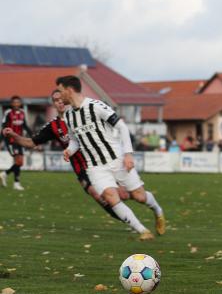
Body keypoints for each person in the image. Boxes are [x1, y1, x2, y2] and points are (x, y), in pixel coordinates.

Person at [56, 76, 165, 240]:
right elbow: (74, 139)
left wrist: (128, 154)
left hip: (116, 159)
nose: (59, 96)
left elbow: (121, 127)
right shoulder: (68, 115)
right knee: (109, 197)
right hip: (95, 166)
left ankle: (158, 211)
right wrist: (69, 150)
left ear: (69, 90)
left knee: (139, 196)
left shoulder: (96, 106)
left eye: (60, 91)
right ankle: (143, 231)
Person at [3, 90, 132, 225]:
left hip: (103, 161)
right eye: (56, 100)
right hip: (81, 168)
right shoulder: (53, 126)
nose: (60, 102)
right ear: (53, 104)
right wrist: (13, 135)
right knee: (98, 195)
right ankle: (130, 223)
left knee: (126, 195)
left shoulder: (85, 113)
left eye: (61, 98)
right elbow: (30, 143)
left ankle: (147, 212)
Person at [2, 96, 32, 190]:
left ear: (20, 103)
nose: (16, 104)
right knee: (18, 161)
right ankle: (16, 183)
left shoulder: (22, 113)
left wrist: (33, 136)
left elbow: (25, 126)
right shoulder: (8, 113)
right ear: (12, 104)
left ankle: (5, 174)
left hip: (20, 140)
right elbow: (4, 126)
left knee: (20, 162)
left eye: (18, 102)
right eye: (14, 102)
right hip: (10, 141)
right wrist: (1, 140)